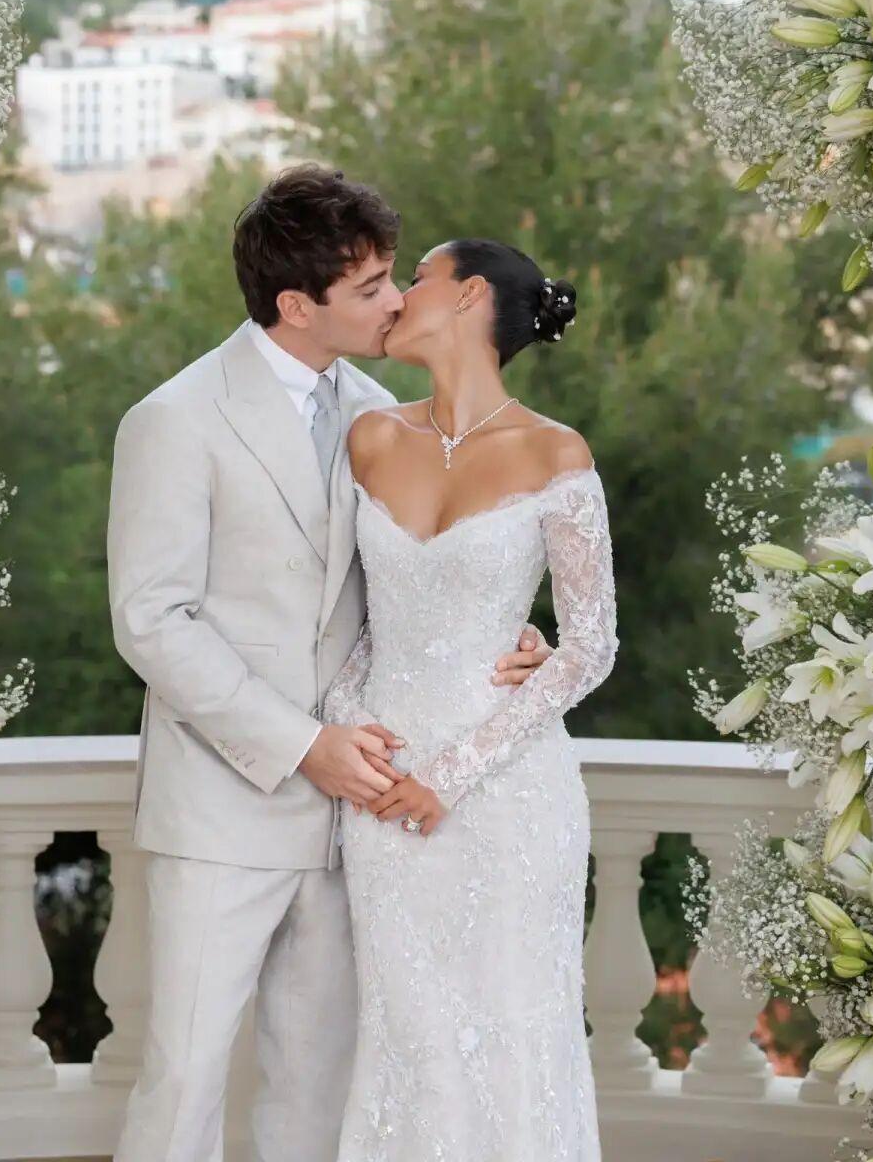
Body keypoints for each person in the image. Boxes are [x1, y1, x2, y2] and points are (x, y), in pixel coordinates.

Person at [105, 166, 549, 1162]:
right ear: (297, 305)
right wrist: (304, 745)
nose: (397, 302)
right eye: (372, 286)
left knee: (318, 1089)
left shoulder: (380, 414)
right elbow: (152, 620)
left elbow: (412, 586)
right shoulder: (174, 419)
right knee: (182, 1082)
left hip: (359, 820)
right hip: (221, 809)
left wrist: (513, 642)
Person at [322, 237, 620, 1162]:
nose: (397, 296)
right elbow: (354, 625)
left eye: (416, 279)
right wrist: (347, 726)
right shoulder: (371, 438)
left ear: (468, 296)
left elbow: (591, 646)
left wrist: (449, 775)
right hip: (385, 794)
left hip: (508, 796)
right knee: (409, 1041)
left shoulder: (555, 452)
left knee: (516, 1041)